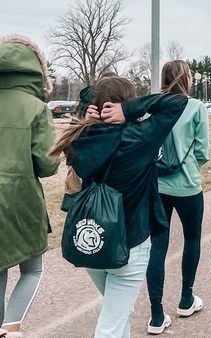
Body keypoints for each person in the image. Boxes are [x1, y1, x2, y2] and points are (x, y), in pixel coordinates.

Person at [50, 76, 188, 338]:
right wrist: (130, 109)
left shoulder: (81, 138)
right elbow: (177, 101)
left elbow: (88, 95)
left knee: (119, 314)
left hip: (92, 240)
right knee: (111, 326)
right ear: (127, 102)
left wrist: (87, 109)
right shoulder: (141, 137)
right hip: (131, 245)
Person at [0, 35, 59, 338]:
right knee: (32, 269)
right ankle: (11, 328)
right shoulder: (37, 108)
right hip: (20, 200)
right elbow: (47, 165)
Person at [145, 60, 211, 334]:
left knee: (157, 246)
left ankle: (156, 314)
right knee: (192, 238)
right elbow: (203, 152)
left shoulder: (154, 107)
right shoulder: (196, 107)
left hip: (158, 186)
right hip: (187, 186)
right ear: (185, 79)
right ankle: (186, 297)